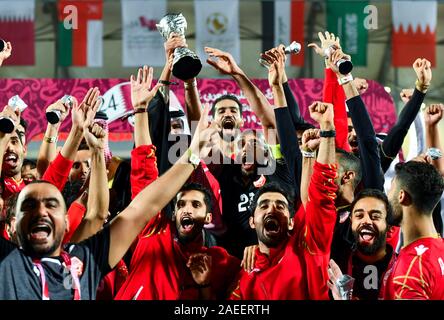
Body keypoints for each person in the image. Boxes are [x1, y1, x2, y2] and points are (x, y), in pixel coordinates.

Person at [0, 66, 218, 299]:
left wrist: (193, 154)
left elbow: (138, 208)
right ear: (12, 225)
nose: (42, 210)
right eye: (29, 205)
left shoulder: (84, 261)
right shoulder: (5, 264)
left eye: (52, 204)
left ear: (65, 222)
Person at [229, 100, 338, 300]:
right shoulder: (246, 273)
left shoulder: (308, 246)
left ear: (291, 221)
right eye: (263, 205)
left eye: (280, 205)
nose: (272, 209)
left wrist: (328, 131)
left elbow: (319, 199)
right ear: (252, 221)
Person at [381, 160, 444, 299]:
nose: (387, 198)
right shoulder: (440, 247)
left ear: (401, 196)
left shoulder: (411, 268)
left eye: (390, 190)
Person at [327, 189, 395, 300]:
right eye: (359, 215)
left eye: (375, 216)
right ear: (351, 221)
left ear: (389, 225)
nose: (366, 221)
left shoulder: (404, 269)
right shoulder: (336, 265)